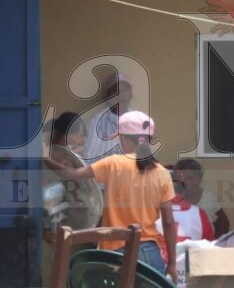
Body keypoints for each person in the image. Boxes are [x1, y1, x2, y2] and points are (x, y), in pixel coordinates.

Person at [45, 110, 177, 278]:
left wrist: (45, 158)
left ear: (124, 139)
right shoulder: (162, 173)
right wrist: (172, 263)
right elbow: (169, 223)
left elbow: (72, 175)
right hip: (150, 254)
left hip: (116, 252)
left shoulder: (113, 164)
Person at [155, 166, 215, 263]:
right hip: (191, 272)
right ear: (184, 190)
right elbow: (209, 249)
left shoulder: (150, 214)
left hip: (157, 274)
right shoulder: (200, 214)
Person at [84, 73, 133, 163]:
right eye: (115, 90)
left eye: (124, 90)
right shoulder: (96, 122)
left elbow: (149, 157)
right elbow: (89, 159)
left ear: (131, 94)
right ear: (108, 96)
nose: (120, 95)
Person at [175, 158, 230, 237]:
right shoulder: (173, 200)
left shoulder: (208, 198)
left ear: (200, 179)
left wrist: (216, 242)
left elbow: (223, 223)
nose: (186, 183)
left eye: (190, 178)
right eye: (181, 179)